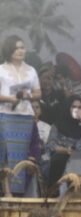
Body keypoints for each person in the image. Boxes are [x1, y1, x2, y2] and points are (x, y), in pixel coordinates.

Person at [0, 35, 41, 196]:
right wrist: (10, 98)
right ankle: (4, 192)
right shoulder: (1, 70)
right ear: (9, 50)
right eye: (17, 48)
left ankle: (17, 194)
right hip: (5, 116)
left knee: (21, 156)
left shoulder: (31, 70)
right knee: (6, 154)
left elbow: (38, 93)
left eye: (22, 47)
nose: (20, 51)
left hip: (25, 117)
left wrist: (28, 96)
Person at [45, 96, 81, 185]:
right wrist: (65, 150)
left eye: (80, 107)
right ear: (68, 108)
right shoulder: (58, 125)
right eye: (74, 107)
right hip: (62, 158)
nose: (77, 110)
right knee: (59, 159)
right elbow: (51, 144)